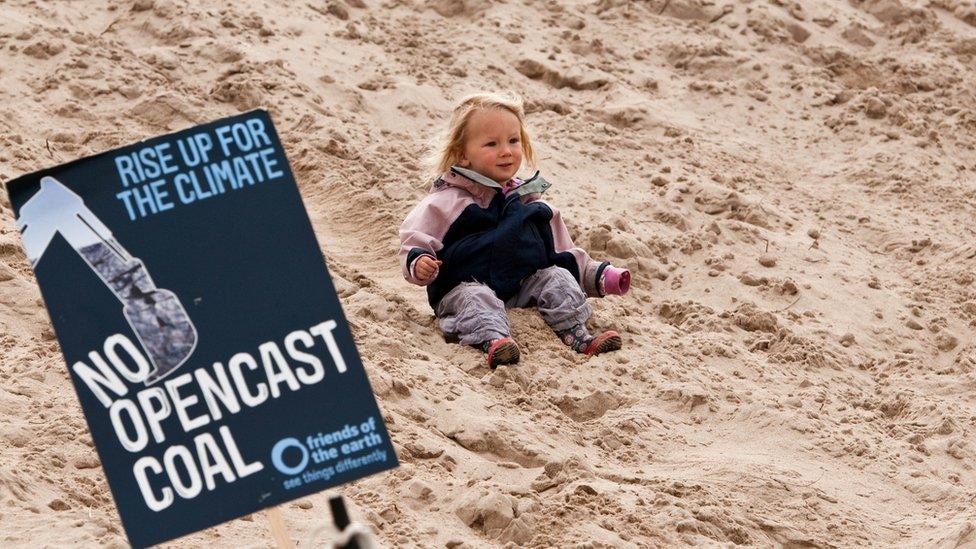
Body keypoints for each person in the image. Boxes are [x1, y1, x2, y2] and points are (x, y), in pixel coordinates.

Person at [398, 91, 631, 368]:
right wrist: (419, 262)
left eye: (513, 140)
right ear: (463, 154)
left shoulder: (529, 200)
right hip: (463, 288)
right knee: (475, 298)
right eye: (491, 144)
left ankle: (577, 334)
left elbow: (561, 250)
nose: (506, 151)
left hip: (521, 288)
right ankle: (493, 341)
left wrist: (598, 275)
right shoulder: (447, 201)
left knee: (556, 277)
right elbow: (415, 238)